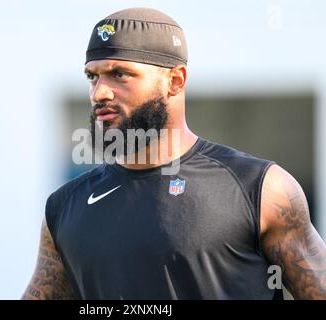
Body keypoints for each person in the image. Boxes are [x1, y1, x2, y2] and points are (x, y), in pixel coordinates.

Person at [22, 7, 326, 300]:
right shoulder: (63, 209)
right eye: (93, 77)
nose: (99, 93)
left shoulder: (259, 189)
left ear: (176, 80)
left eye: (120, 74)